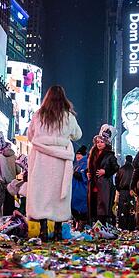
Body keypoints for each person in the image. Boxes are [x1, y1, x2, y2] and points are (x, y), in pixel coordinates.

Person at [25, 86, 82, 241]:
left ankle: (43, 230)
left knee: (41, 193)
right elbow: (77, 135)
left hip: (41, 160)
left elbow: (30, 135)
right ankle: (57, 231)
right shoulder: (68, 116)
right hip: (60, 161)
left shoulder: (38, 115)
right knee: (58, 194)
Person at [88, 124, 119, 225]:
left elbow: (116, 167)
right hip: (93, 184)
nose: (99, 144)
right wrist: (88, 173)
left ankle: (102, 225)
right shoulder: (93, 154)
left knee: (102, 206)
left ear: (106, 143)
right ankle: (94, 226)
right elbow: (91, 167)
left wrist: (106, 171)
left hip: (104, 184)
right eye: (98, 142)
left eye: (102, 142)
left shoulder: (110, 155)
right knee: (93, 204)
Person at [115, 155, 136, 230]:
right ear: (132, 160)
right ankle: (131, 227)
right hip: (131, 192)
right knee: (131, 209)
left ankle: (122, 227)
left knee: (122, 210)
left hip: (123, 192)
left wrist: (119, 189)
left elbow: (116, 180)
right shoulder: (134, 170)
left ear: (125, 160)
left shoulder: (121, 169)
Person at [71, 145, 89, 230]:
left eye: (80, 154)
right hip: (74, 190)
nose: (78, 156)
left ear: (84, 155)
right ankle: (77, 223)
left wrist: (76, 174)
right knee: (73, 206)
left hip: (81, 189)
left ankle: (81, 225)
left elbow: (85, 176)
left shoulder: (86, 163)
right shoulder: (76, 164)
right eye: (77, 154)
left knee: (82, 207)